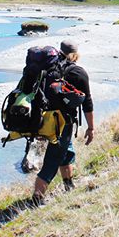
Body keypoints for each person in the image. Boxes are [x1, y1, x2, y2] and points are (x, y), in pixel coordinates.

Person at [32, 40, 94, 205]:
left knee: (66, 152)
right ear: (75, 54)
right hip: (61, 123)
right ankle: (36, 199)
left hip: (42, 119)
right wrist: (91, 128)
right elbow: (87, 103)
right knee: (52, 161)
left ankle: (68, 184)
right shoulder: (78, 73)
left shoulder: (48, 69)